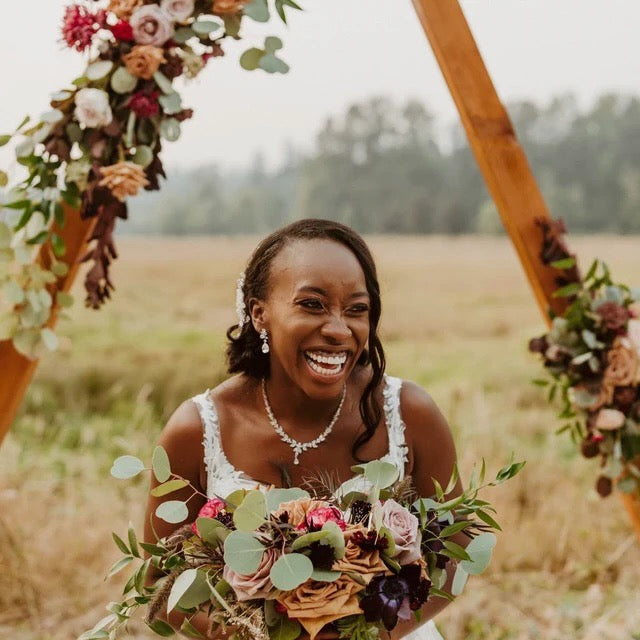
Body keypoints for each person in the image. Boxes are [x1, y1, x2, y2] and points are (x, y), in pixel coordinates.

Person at [144, 219, 465, 639]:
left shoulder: (410, 414)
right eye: (312, 304)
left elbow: (456, 561)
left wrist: (370, 636)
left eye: (356, 309)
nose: (338, 329)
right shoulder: (198, 429)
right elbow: (157, 586)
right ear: (260, 313)